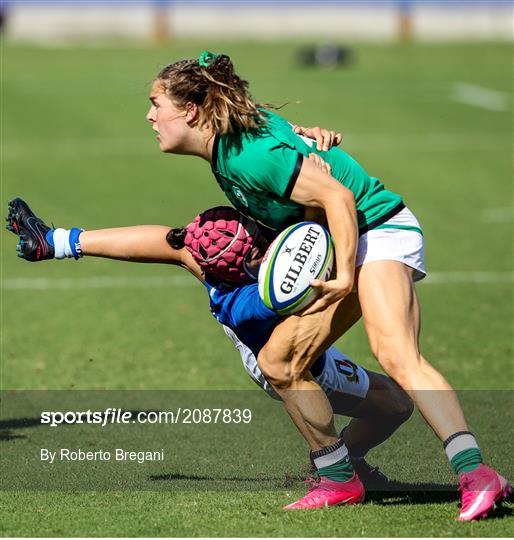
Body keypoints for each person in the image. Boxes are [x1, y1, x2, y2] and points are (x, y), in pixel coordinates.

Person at [141, 50, 510, 517]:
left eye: (157, 103)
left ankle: (477, 474)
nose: (150, 115)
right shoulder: (235, 143)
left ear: (191, 110)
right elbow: (290, 146)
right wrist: (311, 139)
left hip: (376, 228)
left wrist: (342, 271)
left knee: (395, 351)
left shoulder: (248, 157)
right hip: (342, 240)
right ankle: (339, 479)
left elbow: (337, 196)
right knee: (279, 362)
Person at [7, 197, 414, 492]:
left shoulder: (209, 255)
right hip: (292, 361)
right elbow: (328, 293)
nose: (261, 234)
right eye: (256, 237)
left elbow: (161, 242)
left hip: (285, 343)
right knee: (396, 405)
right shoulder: (259, 301)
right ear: (248, 262)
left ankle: (340, 464)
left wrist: (62, 242)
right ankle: (339, 465)